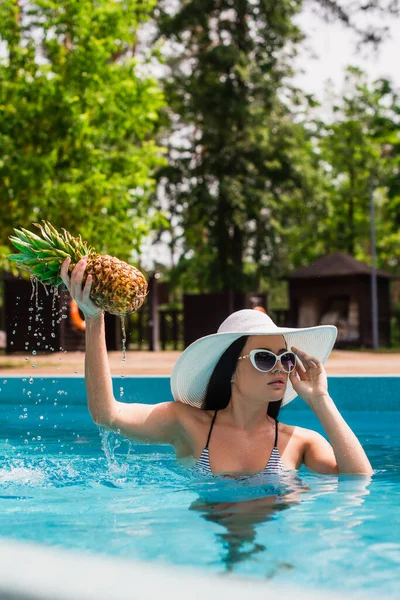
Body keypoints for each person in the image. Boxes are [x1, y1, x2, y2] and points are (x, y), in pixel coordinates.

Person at [60, 257, 373, 478]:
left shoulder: (299, 442)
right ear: (232, 370)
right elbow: (106, 414)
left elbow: (359, 479)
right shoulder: (185, 422)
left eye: (285, 358)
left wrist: (321, 399)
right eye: (265, 357)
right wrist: (94, 318)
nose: (280, 368)